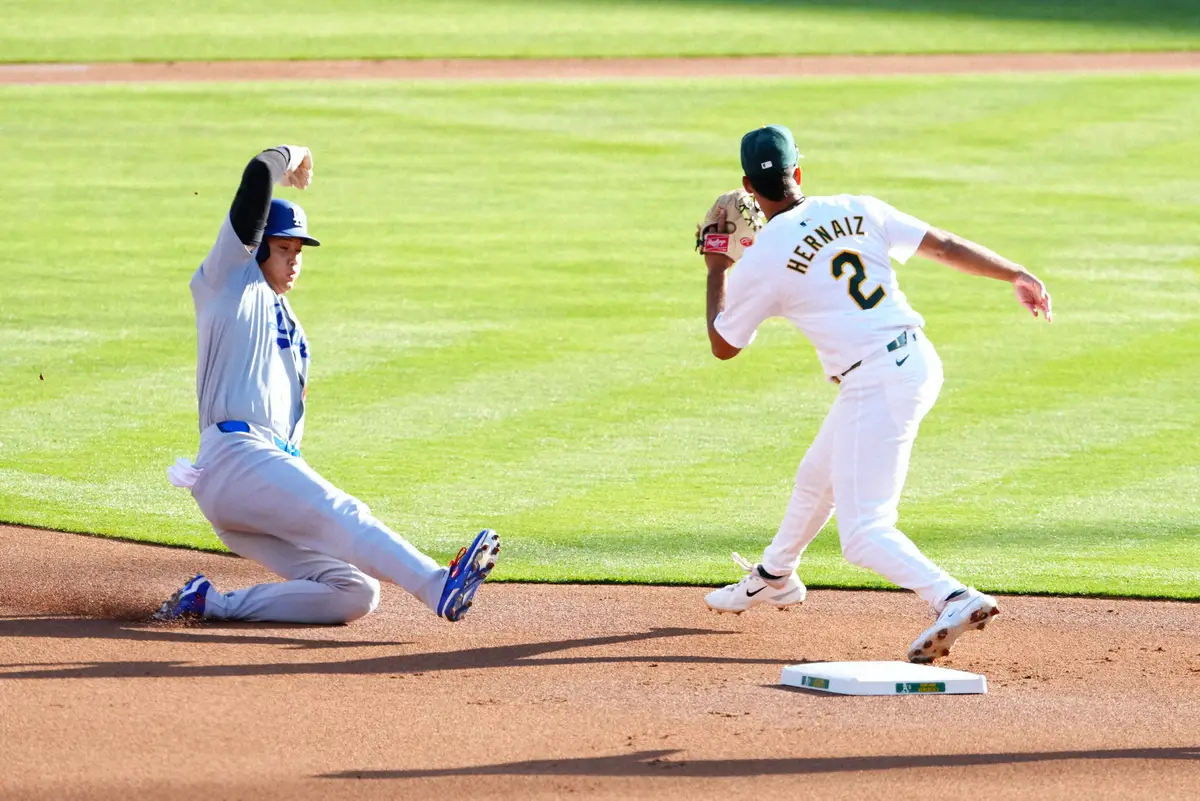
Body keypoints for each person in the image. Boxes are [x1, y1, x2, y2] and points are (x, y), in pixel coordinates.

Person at [700, 125, 1052, 662]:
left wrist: (717, 265)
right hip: (915, 361)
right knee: (817, 477)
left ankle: (953, 596)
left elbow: (724, 345)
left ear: (749, 186)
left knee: (864, 532)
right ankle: (775, 575)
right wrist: (1016, 273)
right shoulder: (857, 208)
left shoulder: (762, 258)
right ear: (799, 172)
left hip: (876, 380)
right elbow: (945, 245)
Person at [154, 144, 499, 625]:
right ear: (257, 249)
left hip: (251, 482)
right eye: (283, 248)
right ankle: (438, 585)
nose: (293, 259)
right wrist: (290, 155)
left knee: (354, 592)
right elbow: (255, 181)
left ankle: (209, 603)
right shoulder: (230, 284)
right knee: (345, 511)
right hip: (237, 459)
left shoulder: (292, 328)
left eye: (298, 251)